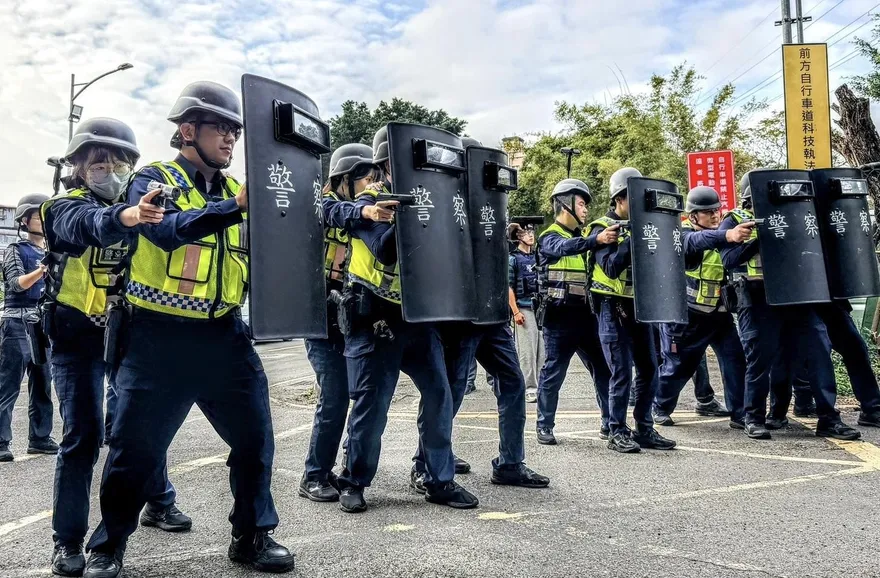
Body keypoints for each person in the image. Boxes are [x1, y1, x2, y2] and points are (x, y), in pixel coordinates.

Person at [82, 82, 295, 577]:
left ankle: (253, 536)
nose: (230, 140)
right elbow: (165, 229)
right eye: (221, 128)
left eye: (236, 132)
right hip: (158, 339)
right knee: (135, 450)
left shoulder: (238, 194)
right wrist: (235, 208)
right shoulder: (154, 180)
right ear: (186, 131)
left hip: (225, 337)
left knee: (256, 441)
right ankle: (108, 545)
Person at [40, 117, 191, 578]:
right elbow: (85, 225)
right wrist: (123, 217)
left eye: (120, 162)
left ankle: (158, 502)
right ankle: (67, 541)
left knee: (140, 425)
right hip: (75, 338)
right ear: (80, 169)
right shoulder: (63, 207)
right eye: (99, 163)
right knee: (82, 436)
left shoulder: (145, 206)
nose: (111, 169)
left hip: (127, 333)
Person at [718, 172, 860, 442]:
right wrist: (761, 236)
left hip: (799, 296)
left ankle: (829, 418)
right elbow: (729, 260)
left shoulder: (799, 211)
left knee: (819, 351)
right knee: (760, 360)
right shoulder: (734, 220)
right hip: (759, 299)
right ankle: (754, 418)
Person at [299, 143, 394, 502]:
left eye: (374, 176)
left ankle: (345, 468)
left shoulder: (366, 212)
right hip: (322, 321)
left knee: (361, 397)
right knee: (335, 396)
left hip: (354, 319)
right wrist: (367, 210)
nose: (372, 182)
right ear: (342, 179)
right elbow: (334, 212)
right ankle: (314, 474)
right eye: (364, 177)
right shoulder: (322, 206)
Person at [588, 167, 676, 453]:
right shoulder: (603, 228)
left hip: (641, 308)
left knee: (650, 369)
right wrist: (631, 239)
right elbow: (610, 268)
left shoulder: (646, 226)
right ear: (620, 199)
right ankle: (616, 430)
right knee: (622, 372)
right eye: (633, 200)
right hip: (613, 310)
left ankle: (645, 428)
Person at [652, 186, 753, 429]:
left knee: (735, 361)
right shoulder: (683, 235)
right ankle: (659, 406)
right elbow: (696, 241)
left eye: (717, 211)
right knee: (678, 367)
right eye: (707, 213)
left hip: (719, 317)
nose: (715, 216)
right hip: (689, 317)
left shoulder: (725, 233)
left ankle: (740, 414)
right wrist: (727, 236)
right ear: (693, 216)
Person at [534, 178, 616, 445]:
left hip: (587, 317)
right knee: (553, 373)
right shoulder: (549, 237)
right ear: (565, 205)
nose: (585, 210)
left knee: (604, 370)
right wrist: (596, 240)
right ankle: (544, 425)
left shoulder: (582, 239)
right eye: (581, 204)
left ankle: (608, 422)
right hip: (558, 319)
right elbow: (561, 248)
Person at [0, 194, 57, 463]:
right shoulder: (16, 249)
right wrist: (42, 270)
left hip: (42, 323)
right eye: (38, 216)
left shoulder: (51, 250)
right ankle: (1, 441)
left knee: (43, 383)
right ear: (25, 220)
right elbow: (15, 284)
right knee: (9, 385)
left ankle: (40, 438)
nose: (44, 221)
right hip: (16, 321)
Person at [509, 222, 544, 403]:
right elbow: (509, 287)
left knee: (542, 351)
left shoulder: (538, 257)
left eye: (532, 232)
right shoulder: (513, 259)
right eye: (526, 233)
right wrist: (515, 312)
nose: (531, 236)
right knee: (527, 352)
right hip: (524, 308)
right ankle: (530, 387)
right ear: (518, 237)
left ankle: (541, 386)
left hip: (540, 308)